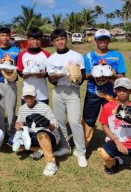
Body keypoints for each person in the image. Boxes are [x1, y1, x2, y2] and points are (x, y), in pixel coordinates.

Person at [46, 28, 87, 168]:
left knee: (75, 122)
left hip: (73, 91)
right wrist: (56, 77)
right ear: (53, 42)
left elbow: (83, 75)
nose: (60, 42)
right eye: (57, 40)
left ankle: (81, 152)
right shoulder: (51, 59)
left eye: (62, 39)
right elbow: (51, 79)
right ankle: (65, 147)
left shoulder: (76, 56)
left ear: (66, 39)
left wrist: (76, 80)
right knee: (59, 121)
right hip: (58, 90)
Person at [83, 29, 126, 147]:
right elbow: (84, 76)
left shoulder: (117, 56)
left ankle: (114, 145)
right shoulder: (87, 57)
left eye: (106, 38)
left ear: (109, 40)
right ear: (95, 40)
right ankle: (84, 145)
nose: (103, 41)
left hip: (112, 94)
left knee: (113, 119)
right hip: (93, 93)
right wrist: (90, 75)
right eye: (100, 39)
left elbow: (122, 76)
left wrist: (113, 74)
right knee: (89, 119)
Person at [15, 85, 60, 176]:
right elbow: (19, 122)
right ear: (23, 97)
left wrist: (48, 125)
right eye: (26, 96)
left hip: (49, 135)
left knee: (41, 134)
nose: (28, 99)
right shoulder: (22, 108)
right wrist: (18, 126)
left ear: (35, 95)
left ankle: (51, 163)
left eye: (31, 96)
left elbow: (55, 126)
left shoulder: (45, 107)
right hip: (32, 134)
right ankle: (41, 149)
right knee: (13, 141)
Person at [0, 26, 20, 141]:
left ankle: (11, 134)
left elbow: (19, 68)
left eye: (7, 35)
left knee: (11, 110)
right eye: (2, 35)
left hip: (11, 83)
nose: (5, 38)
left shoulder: (16, 51)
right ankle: (0, 135)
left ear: (10, 36)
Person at [17, 27, 50, 105]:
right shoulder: (22, 54)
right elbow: (20, 71)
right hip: (27, 93)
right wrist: (25, 75)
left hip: (42, 94)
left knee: (42, 117)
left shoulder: (46, 54)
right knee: (27, 116)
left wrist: (44, 74)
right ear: (28, 40)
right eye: (33, 39)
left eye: (38, 39)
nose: (36, 41)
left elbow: (49, 72)